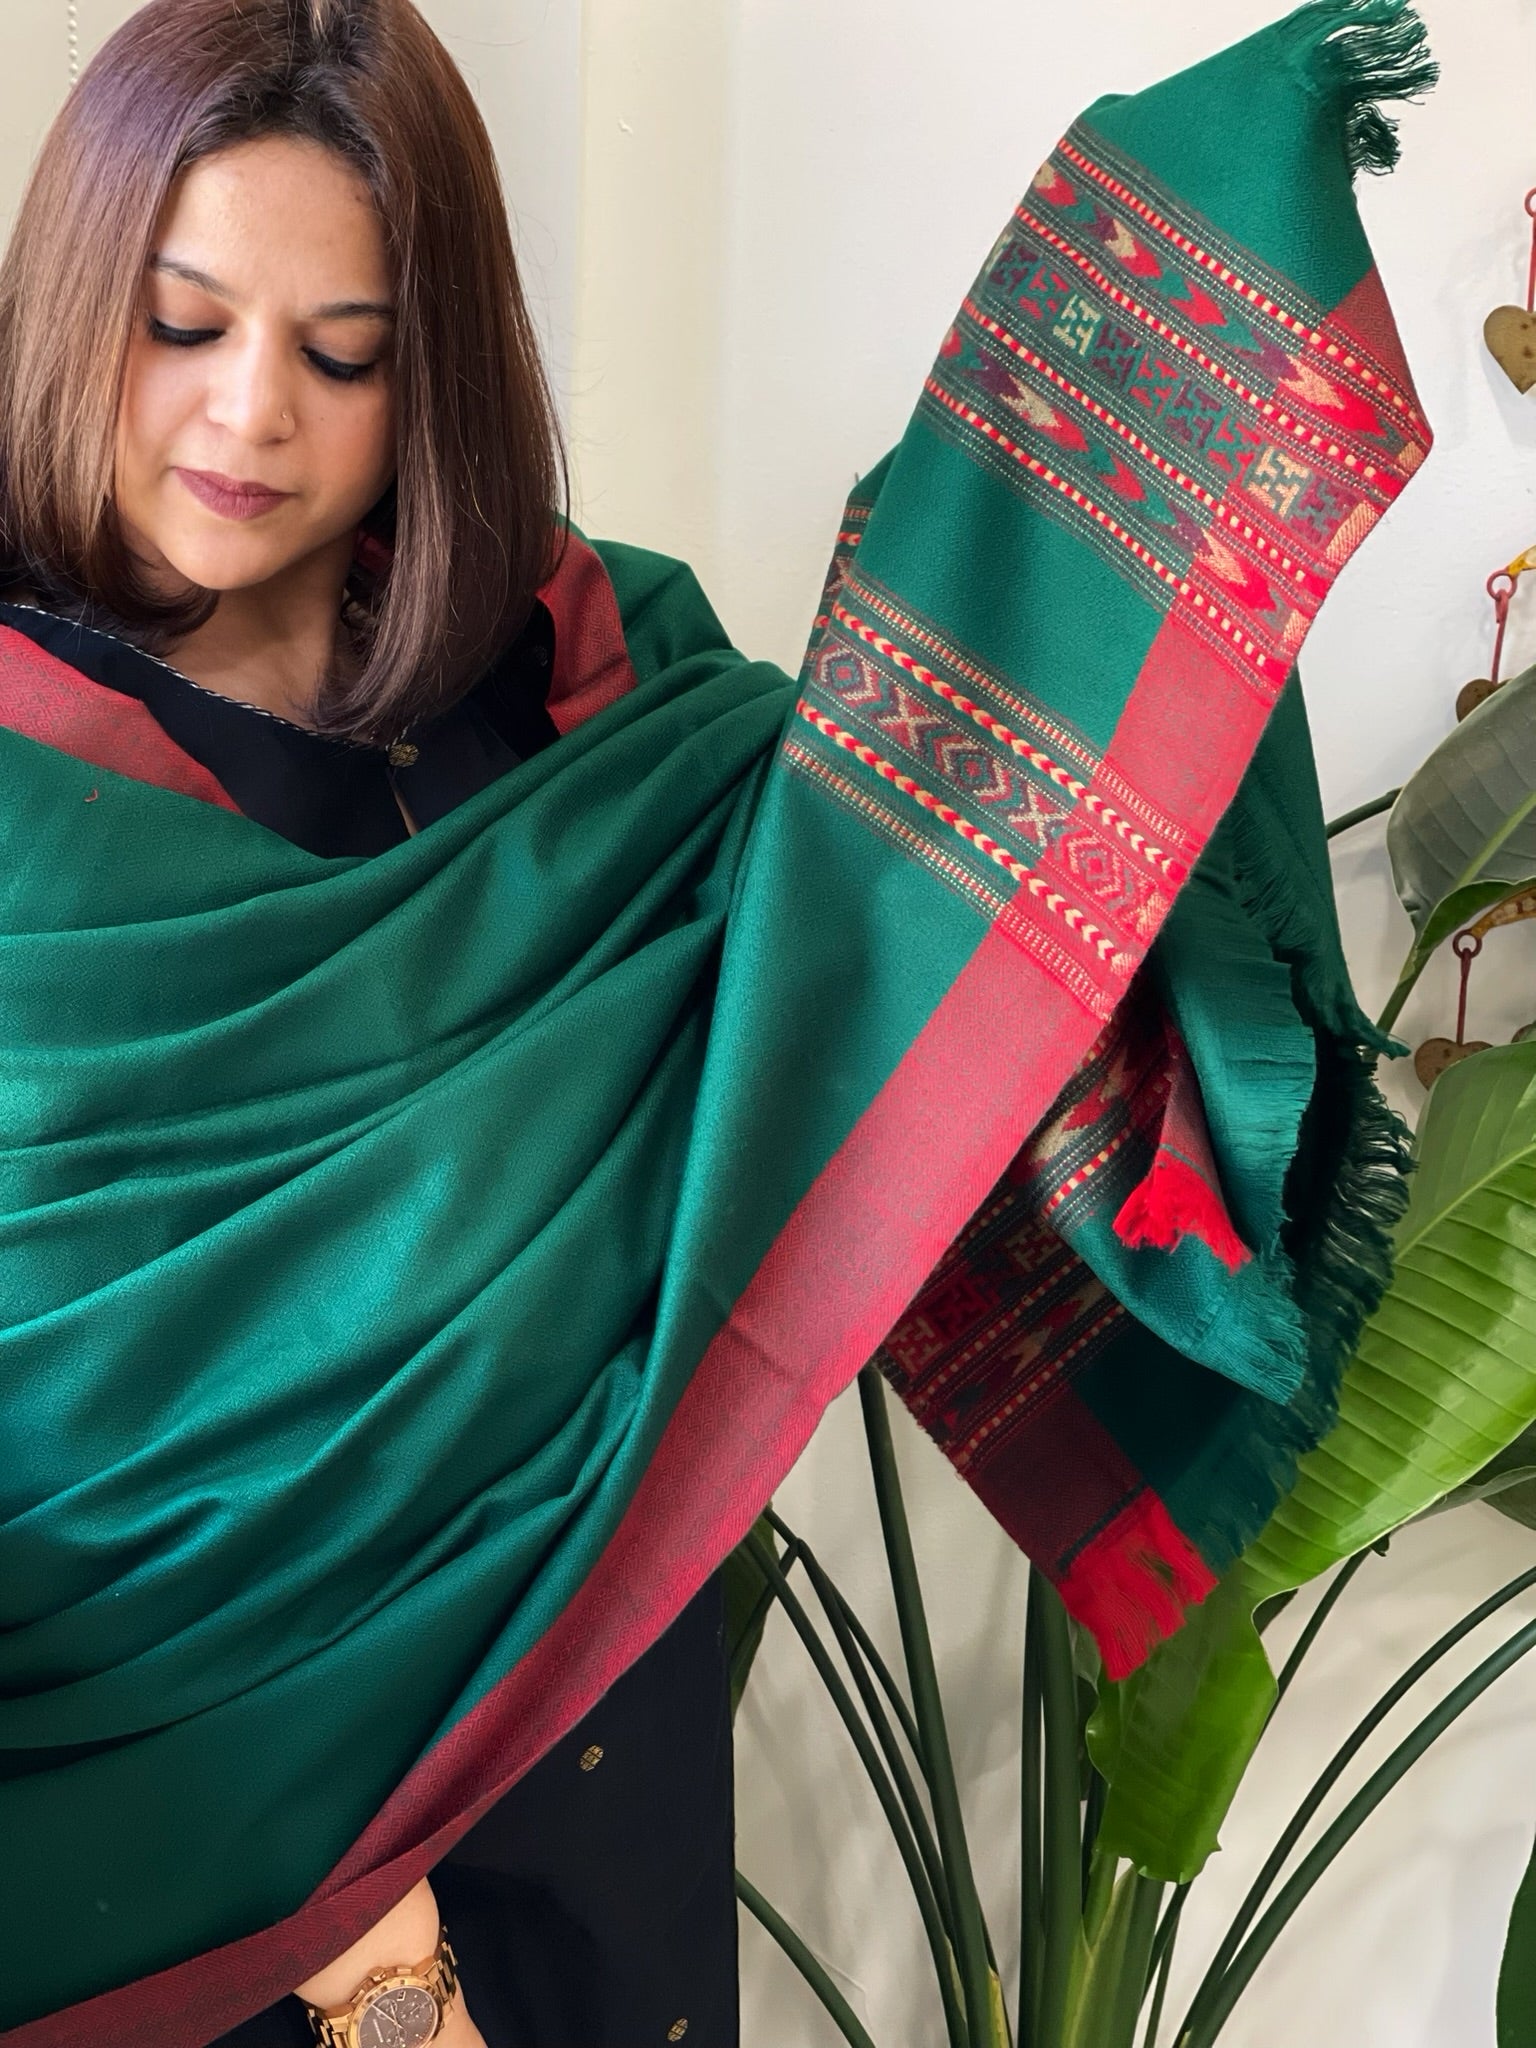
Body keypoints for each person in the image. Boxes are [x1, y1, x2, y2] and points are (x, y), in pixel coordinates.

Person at [0, 2, 1432, 2043]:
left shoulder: (589, 696)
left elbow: (902, 938)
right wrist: (366, 1955)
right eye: (180, 324)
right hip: (192, 1891)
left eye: (345, 353)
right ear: (73, 302)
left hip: (596, 1824)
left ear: (436, 373)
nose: (250, 415)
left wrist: (1111, 457)